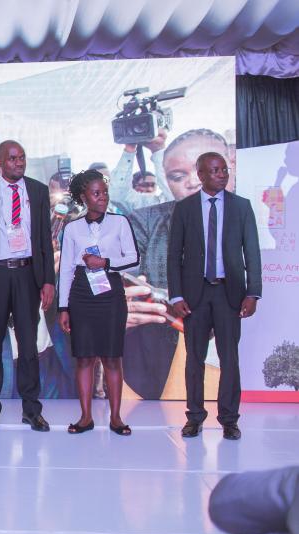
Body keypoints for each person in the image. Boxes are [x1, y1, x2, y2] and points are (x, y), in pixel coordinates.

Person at [124, 128, 235, 400]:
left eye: (208, 169)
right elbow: (115, 274)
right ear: (167, 180)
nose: (195, 181)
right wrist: (110, 304)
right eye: (178, 176)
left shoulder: (259, 217)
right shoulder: (146, 222)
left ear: (231, 165)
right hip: (161, 372)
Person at [168, 151, 261, 440]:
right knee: (194, 358)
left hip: (229, 293)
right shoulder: (184, 208)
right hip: (194, 295)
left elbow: (252, 253)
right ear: (201, 175)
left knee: (229, 359)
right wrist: (176, 296)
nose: (222, 174)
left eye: (224, 170)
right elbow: (174, 256)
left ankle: (229, 420)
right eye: (215, 170)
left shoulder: (241, 206)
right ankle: (194, 417)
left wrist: (253, 293)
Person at [0, 140, 55, 432]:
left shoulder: (38, 191)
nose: (19, 163)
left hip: (27, 275)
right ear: (0, 162)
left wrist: (48, 280)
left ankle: (31, 410)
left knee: (28, 346)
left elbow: (45, 239)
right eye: (13, 158)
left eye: (22, 158)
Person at [57, 170, 139, 435]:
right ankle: (85, 418)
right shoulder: (72, 228)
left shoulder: (120, 222)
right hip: (81, 292)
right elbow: (66, 269)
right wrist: (63, 307)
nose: (102, 197)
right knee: (84, 358)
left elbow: (134, 259)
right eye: (96, 193)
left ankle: (116, 418)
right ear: (83, 197)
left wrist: (106, 262)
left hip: (111, 291)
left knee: (112, 357)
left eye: (104, 192)